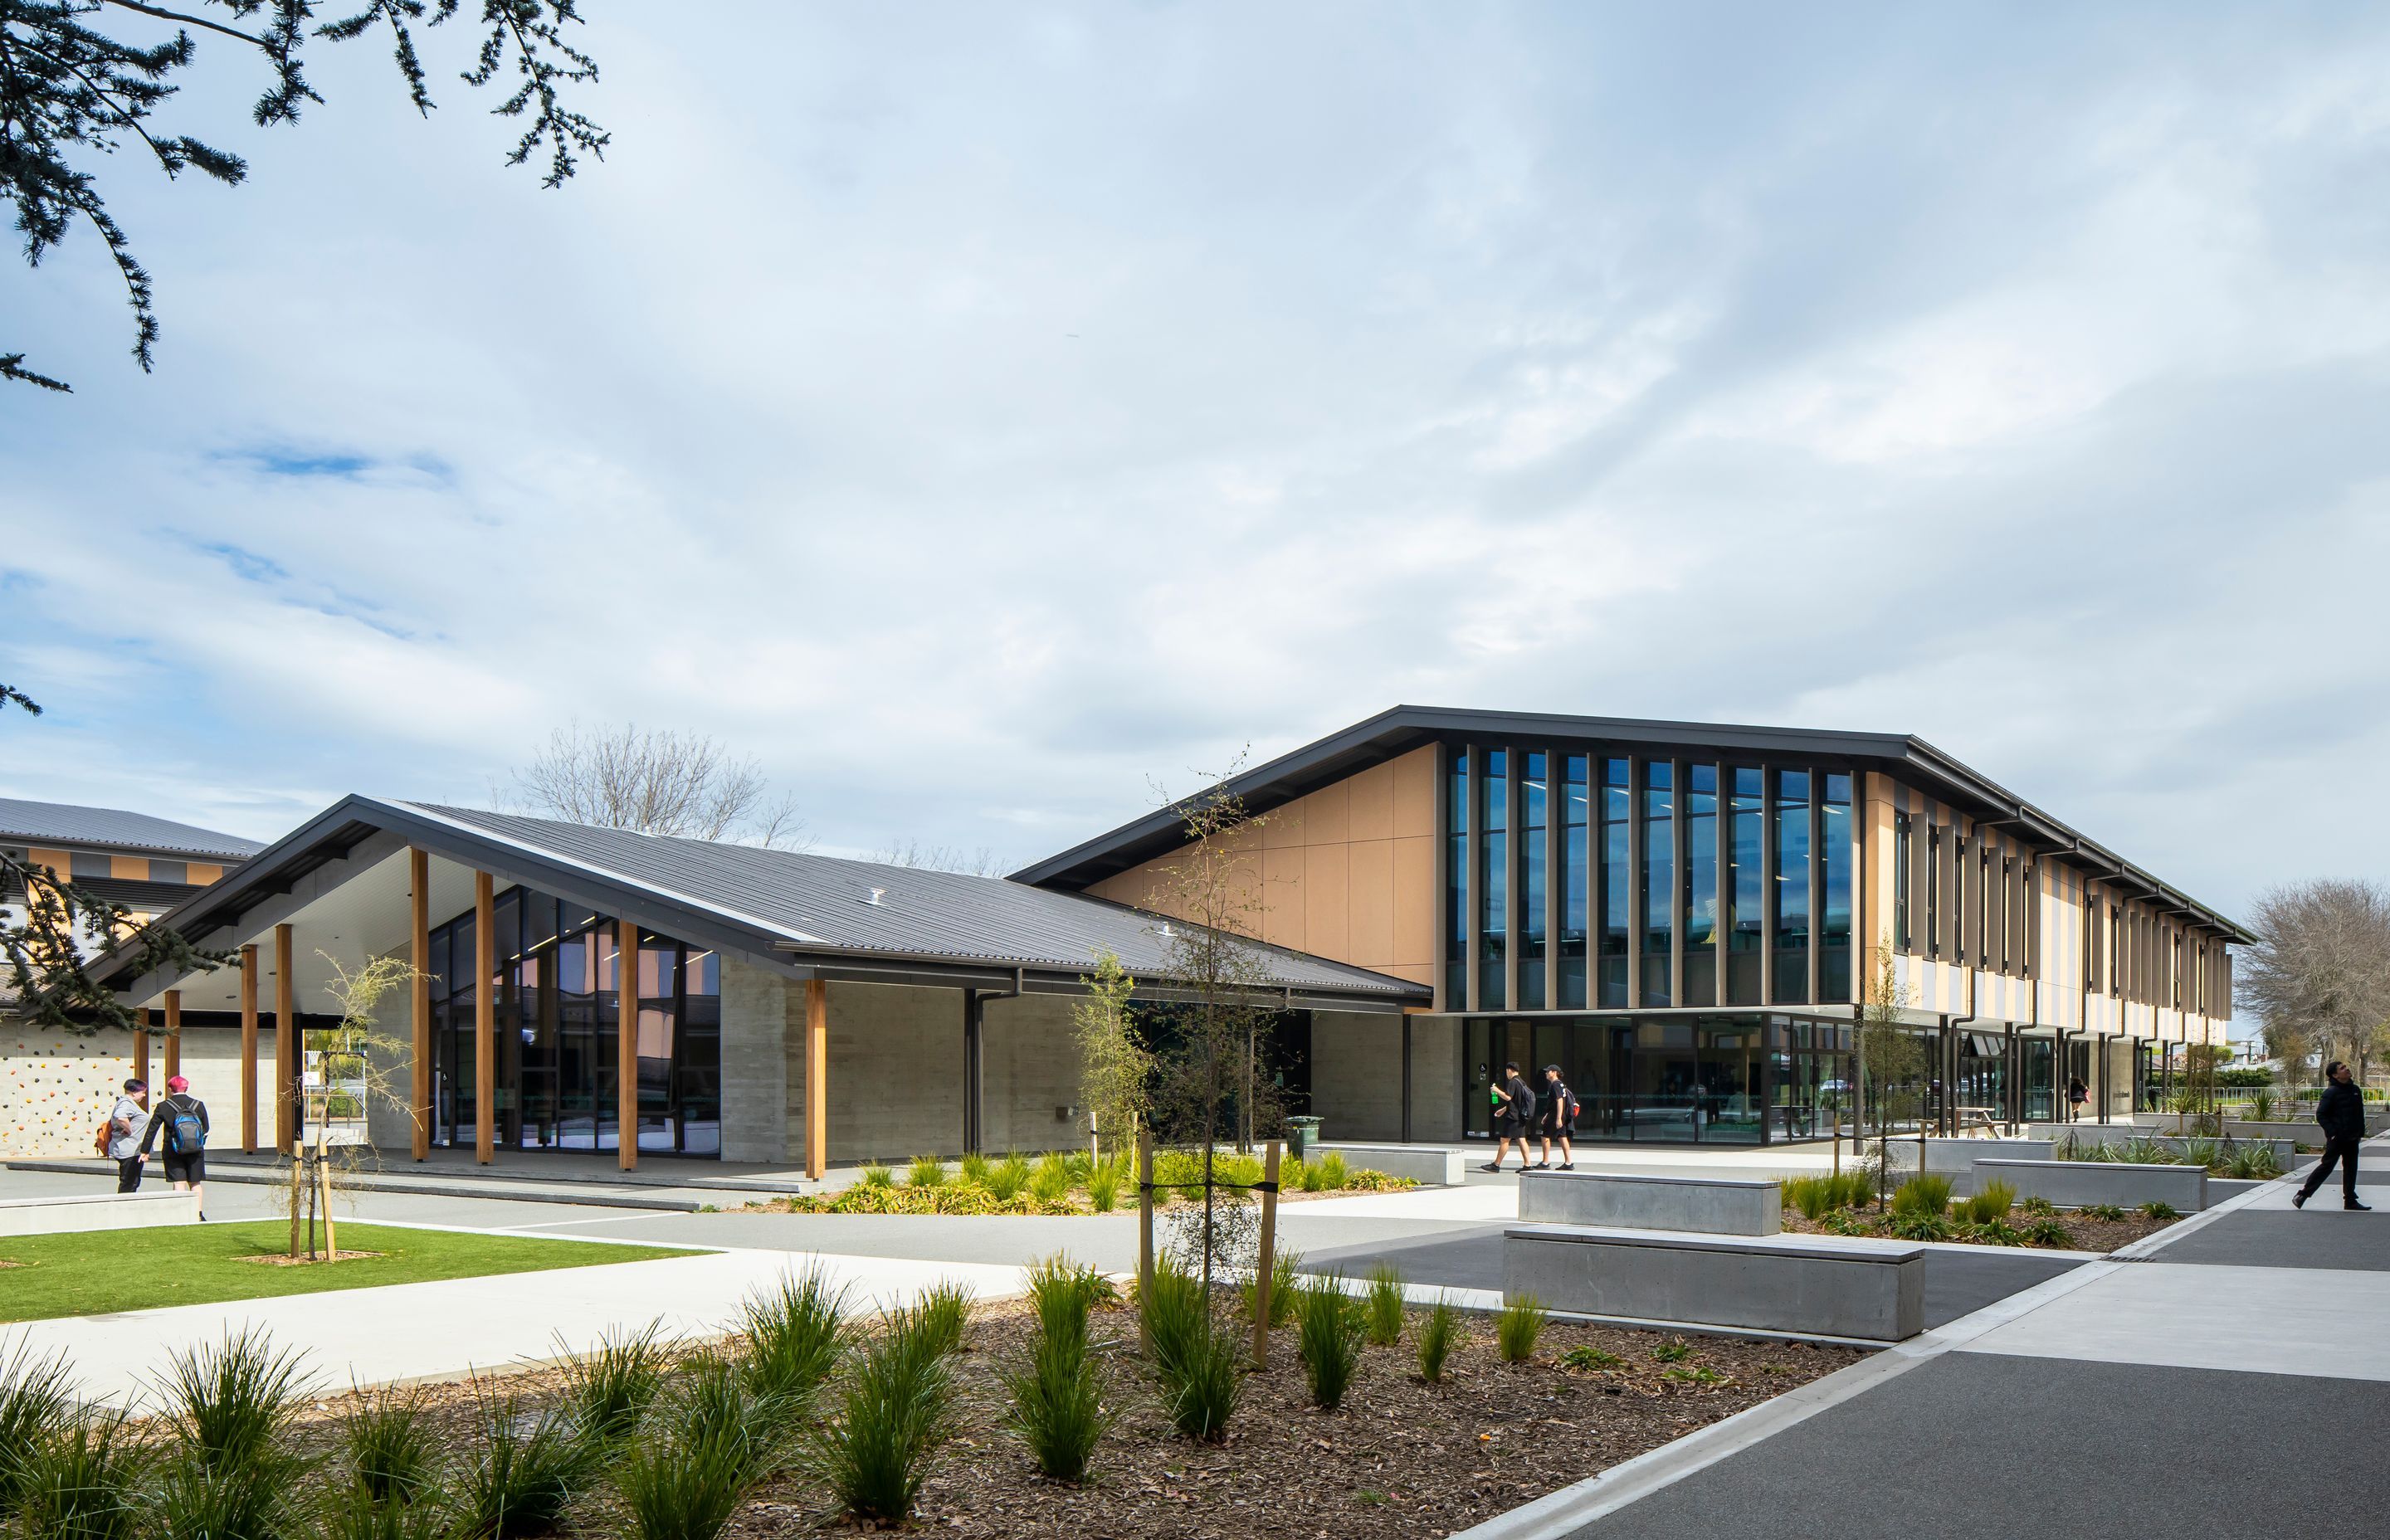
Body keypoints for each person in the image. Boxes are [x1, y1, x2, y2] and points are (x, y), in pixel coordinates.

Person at [2294, 1060, 2371, 1211]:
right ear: (2335, 1075)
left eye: (2346, 1067)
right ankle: (2302, 1195)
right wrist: (2333, 1133)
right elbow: (2321, 1115)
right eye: (2342, 1068)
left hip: (2352, 1137)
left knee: (2351, 1168)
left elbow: (2359, 1114)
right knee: (2327, 1167)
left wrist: (2360, 1132)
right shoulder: (2331, 1092)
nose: (2347, 1069)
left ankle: (2350, 1201)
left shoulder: (2355, 1090)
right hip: (2338, 1138)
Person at [140, 1073, 211, 1221]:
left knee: (179, 1183)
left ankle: (181, 1214)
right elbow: (206, 1128)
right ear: (186, 1088)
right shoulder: (198, 1104)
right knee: (195, 1183)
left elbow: (152, 1129)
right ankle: (198, 1214)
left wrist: (145, 1151)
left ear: (170, 1089)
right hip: (195, 1150)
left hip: (172, 1149)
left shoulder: (163, 1106)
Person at [1481, 1061, 1538, 1172]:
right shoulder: (1521, 1082)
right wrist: (1503, 1110)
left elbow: (1508, 1097)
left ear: (1509, 1070)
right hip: (1520, 1117)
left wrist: (1496, 1090)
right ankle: (1527, 1165)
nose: (1506, 1073)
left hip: (1513, 1117)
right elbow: (1517, 1101)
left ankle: (1496, 1165)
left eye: (1507, 1071)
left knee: (1504, 1140)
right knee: (1521, 1140)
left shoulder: (1513, 1082)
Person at [105, 1078, 149, 1192]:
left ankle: (126, 1204)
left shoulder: (128, 1103)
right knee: (129, 1181)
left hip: (130, 1147)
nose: (144, 1095)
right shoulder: (126, 1103)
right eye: (143, 1092)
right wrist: (129, 1130)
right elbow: (120, 1117)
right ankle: (124, 1206)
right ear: (134, 1092)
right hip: (129, 1148)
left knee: (132, 1181)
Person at [1535, 1064, 1578, 1171]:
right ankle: (1568, 1162)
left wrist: (1558, 1118)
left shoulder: (1555, 1085)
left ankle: (1545, 1162)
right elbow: (1555, 1102)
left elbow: (1559, 1101)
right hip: (1556, 1114)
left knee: (1545, 1136)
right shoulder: (1560, 1084)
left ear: (1554, 1073)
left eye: (1548, 1071)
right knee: (1562, 1137)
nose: (1546, 1073)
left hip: (1556, 1115)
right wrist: (1547, 1115)